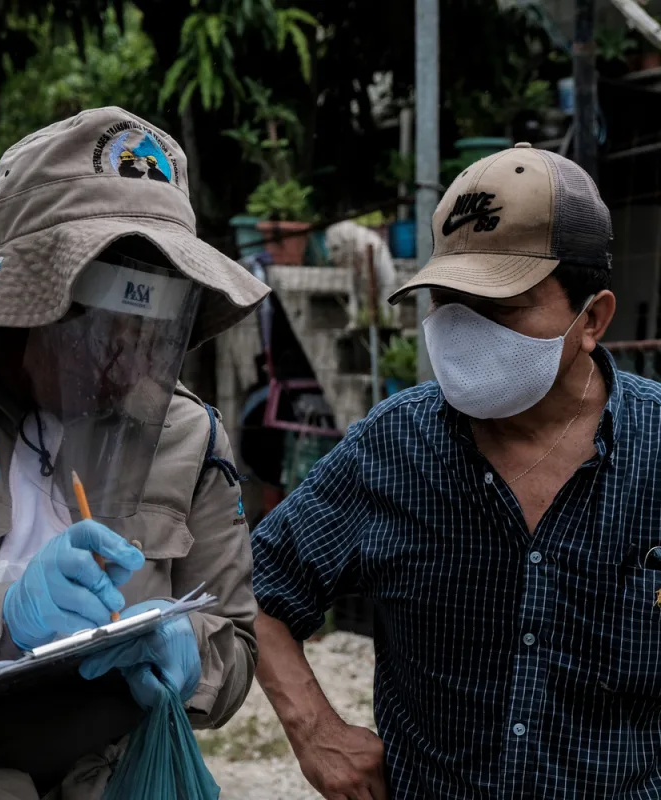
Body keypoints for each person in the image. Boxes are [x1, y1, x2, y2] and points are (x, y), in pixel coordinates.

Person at [0, 107, 268, 799]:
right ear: (23, 299)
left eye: (153, 329)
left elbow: (234, 649)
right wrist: (1, 620)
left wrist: (185, 655)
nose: (126, 358)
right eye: (103, 323)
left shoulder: (189, 433)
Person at [250, 143, 661, 798]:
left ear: (594, 319)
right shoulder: (392, 447)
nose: (465, 331)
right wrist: (315, 730)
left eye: (501, 307)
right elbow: (257, 587)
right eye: (447, 300)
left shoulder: (656, 451)